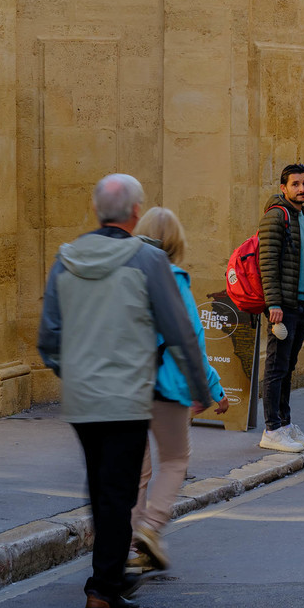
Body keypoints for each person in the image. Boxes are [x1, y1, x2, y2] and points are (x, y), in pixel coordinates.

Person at [38, 174, 215, 608]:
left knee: (103, 486)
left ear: (98, 211)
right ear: (135, 212)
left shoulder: (66, 258)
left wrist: (72, 372)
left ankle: (109, 576)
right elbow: (179, 331)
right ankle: (104, 588)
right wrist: (200, 387)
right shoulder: (148, 259)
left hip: (82, 397)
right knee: (118, 489)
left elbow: (49, 336)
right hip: (128, 393)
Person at [128, 206, 224, 574]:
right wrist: (211, 387)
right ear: (176, 242)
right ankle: (151, 528)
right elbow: (191, 340)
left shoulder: (126, 276)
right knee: (175, 460)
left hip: (130, 386)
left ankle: (130, 547)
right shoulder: (174, 279)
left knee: (137, 472)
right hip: (167, 387)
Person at [258, 162, 304, 453]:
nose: (302, 189)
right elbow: (267, 262)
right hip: (283, 306)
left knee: (288, 366)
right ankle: (271, 429)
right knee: (276, 367)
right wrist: (274, 304)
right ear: (283, 188)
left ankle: (285, 423)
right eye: (295, 184)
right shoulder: (276, 216)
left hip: (302, 304)